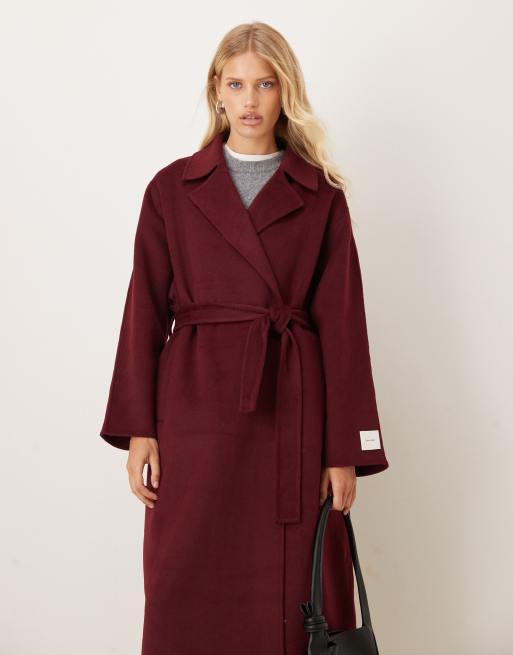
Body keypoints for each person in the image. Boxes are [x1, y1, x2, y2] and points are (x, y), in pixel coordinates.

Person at [99, 21, 390, 655]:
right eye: (236, 84)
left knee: (291, 588)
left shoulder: (321, 196)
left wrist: (345, 450)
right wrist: (139, 428)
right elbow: (143, 311)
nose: (250, 100)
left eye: (265, 84)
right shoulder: (171, 189)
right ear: (216, 91)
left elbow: (344, 327)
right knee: (183, 567)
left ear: (287, 92)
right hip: (194, 408)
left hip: (291, 414)